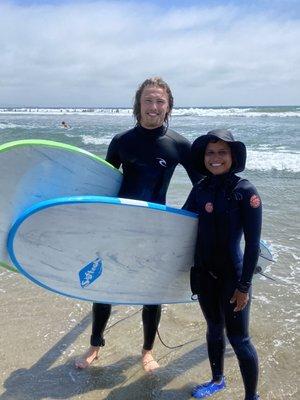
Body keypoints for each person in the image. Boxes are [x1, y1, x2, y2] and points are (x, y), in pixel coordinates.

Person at [75, 77, 198, 372]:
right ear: (138, 103)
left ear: (168, 106)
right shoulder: (121, 142)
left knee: (151, 291)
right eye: (148, 100)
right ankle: (95, 345)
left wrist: (182, 221)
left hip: (155, 228)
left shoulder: (179, 145)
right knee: (103, 286)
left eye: (160, 101)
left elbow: (202, 185)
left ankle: (146, 351)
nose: (153, 107)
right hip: (118, 224)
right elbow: (103, 184)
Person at [183, 129, 261, 400]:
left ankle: (251, 396)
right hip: (205, 275)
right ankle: (217, 380)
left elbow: (252, 245)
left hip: (233, 277)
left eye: (222, 152)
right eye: (210, 153)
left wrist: (244, 286)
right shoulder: (200, 189)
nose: (215, 158)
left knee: (239, 339)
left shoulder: (245, 191)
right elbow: (179, 227)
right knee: (214, 330)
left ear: (233, 156)